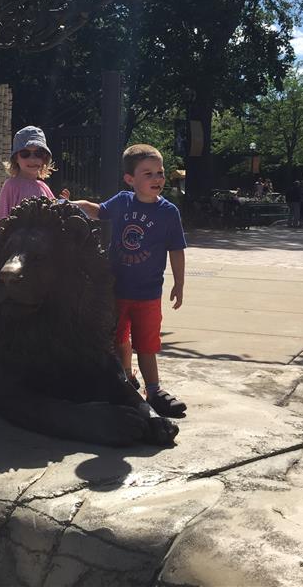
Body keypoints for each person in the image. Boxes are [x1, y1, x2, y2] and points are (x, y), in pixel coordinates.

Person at [71, 144, 187, 419]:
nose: (157, 178)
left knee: (147, 344)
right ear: (130, 179)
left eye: (160, 172)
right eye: (148, 173)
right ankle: (125, 380)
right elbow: (97, 211)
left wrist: (179, 283)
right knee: (119, 339)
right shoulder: (123, 202)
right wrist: (69, 205)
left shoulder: (168, 212)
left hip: (148, 293)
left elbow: (176, 249)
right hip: (116, 289)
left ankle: (154, 391)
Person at [0, 126, 67, 224]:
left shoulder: (44, 187)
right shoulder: (11, 185)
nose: (32, 159)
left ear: (44, 158)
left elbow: (54, 215)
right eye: (25, 154)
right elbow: (1, 220)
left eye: (38, 153)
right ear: (16, 158)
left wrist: (63, 204)